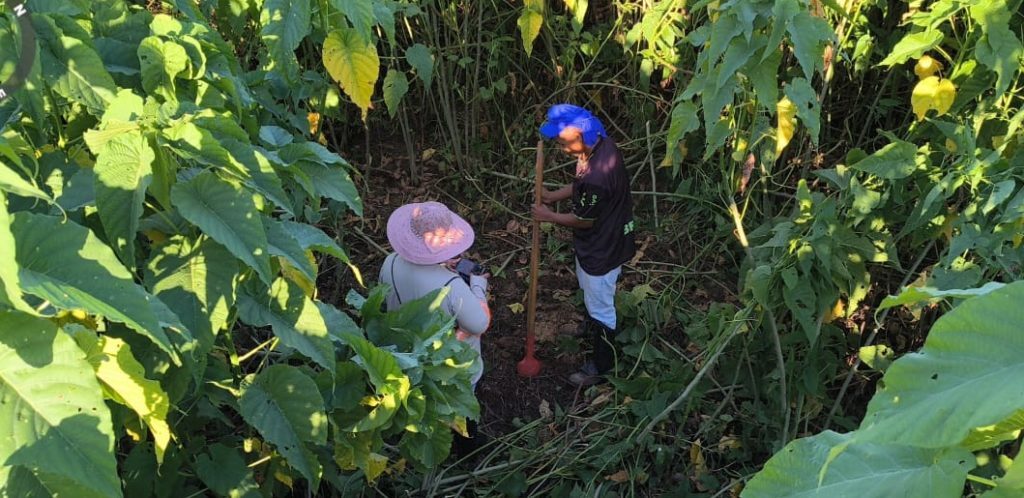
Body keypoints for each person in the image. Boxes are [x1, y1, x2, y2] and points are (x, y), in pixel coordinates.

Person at [531, 104, 636, 386]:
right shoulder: (602, 145)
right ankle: (592, 325)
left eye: (564, 143)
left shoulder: (598, 177)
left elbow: (583, 219)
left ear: (581, 136)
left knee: (601, 307)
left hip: (603, 248)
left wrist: (548, 216)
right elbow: (582, 186)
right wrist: (553, 196)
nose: (563, 149)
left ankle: (602, 366)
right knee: (591, 294)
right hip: (605, 238)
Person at [378, 201, 490, 449]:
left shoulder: (390, 262)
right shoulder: (451, 285)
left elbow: (384, 301)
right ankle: (466, 446)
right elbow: (480, 324)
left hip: (406, 352)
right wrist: (478, 288)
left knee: (422, 403)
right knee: (460, 406)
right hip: (447, 363)